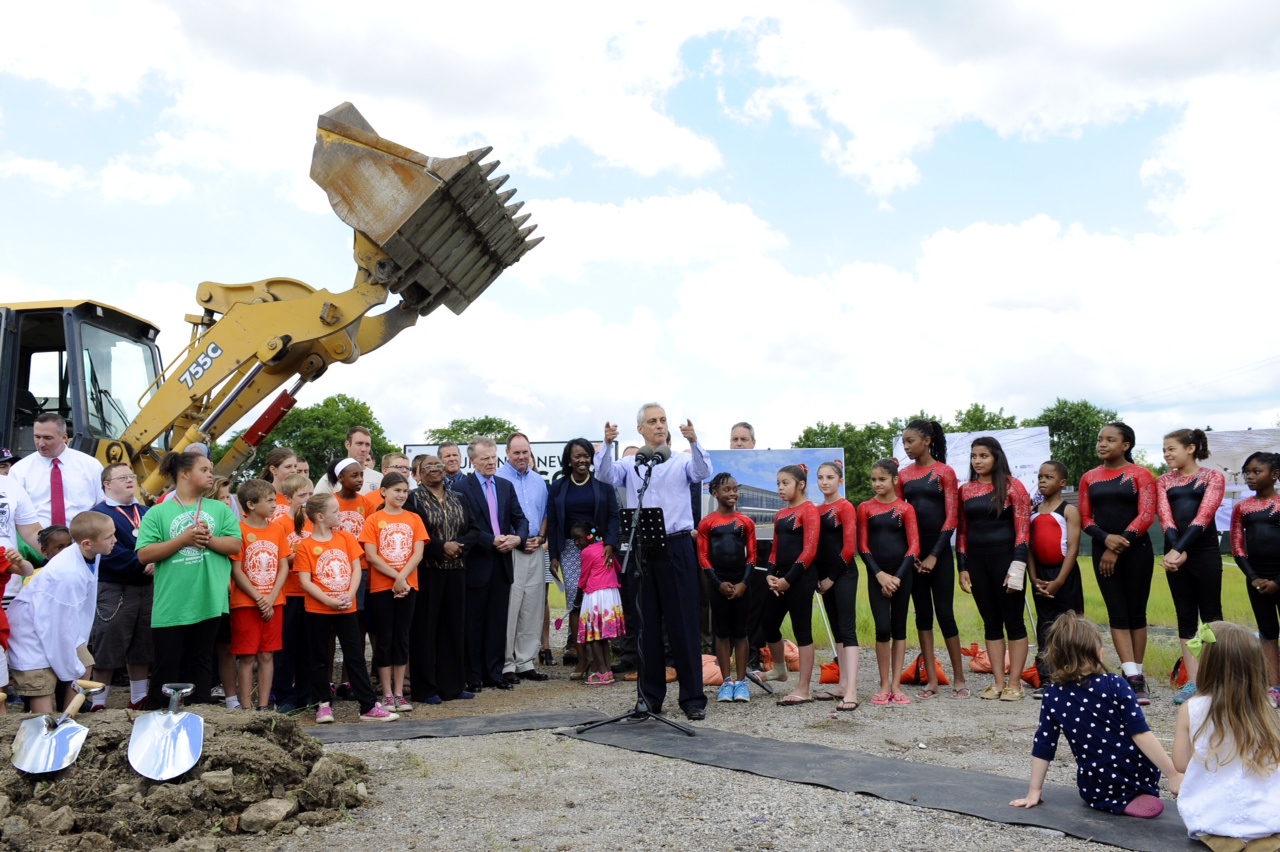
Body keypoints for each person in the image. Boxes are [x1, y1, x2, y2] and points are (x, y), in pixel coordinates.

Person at [595, 404, 712, 721]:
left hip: (676, 548)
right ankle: (649, 699)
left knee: (683, 625)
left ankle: (692, 699)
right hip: (643, 550)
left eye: (662, 421)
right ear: (641, 430)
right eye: (652, 421)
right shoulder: (631, 464)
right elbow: (603, 474)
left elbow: (703, 473)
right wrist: (606, 445)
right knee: (646, 626)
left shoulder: (682, 461)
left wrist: (694, 441)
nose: (659, 426)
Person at [1011, 613, 1180, 819]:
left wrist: (1033, 791)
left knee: (1094, 782)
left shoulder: (1053, 695)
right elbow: (1141, 734)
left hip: (1095, 784)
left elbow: (1044, 745)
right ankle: (1133, 795)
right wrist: (1172, 774)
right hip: (1136, 774)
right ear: (1099, 654)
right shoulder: (1116, 684)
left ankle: (1113, 801)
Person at [136, 450, 242, 708]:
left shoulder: (220, 509)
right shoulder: (158, 513)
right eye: (204, 470)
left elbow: (235, 545)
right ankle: (157, 720)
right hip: (171, 605)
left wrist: (208, 540)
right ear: (184, 474)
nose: (211, 475)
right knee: (166, 666)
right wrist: (182, 540)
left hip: (208, 601)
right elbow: (144, 554)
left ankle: (199, 718)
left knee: (201, 663)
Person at [1174, 621, 1280, 848]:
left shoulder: (1192, 709)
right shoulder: (1267, 709)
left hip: (1214, 816)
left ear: (1208, 665)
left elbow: (1180, 763)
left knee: (1217, 829)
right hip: (1268, 817)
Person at [292, 494, 396, 722]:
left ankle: (368, 705)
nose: (340, 515)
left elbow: (356, 569)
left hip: (347, 608)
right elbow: (305, 581)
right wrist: (329, 601)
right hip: (317, 611)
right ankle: (323, 704)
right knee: (319, 658)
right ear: (320, 517)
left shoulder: (346, 538)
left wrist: (348, 595)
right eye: (336, 512)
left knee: (356, 657)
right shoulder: (306, 546)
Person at [7, 511, 116, 714]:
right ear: (86, 544)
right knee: (42, 686)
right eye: (109, 537)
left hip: (60, 625)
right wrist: (68, 667)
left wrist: (74, 662)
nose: (114, 540)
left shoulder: (93, 555)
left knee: (84, 665)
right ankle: (44, 731)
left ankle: (68, 720)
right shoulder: (67, 575)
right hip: (31, 632)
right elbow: (56, 629)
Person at [1079, 422, 1157, 704]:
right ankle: (1130, 673)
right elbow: (1086, 518)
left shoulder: (1140, 474)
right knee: (1117, 613)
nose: (1102, 444)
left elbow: (1147, 515)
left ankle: (1137, 676)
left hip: (1137, 551)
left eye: (1110, 440)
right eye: (1100, 439)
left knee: (1136, 613)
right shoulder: (1089, 477)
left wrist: (1119, 543)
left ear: (1125, 445)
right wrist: (1105, 540)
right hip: (1103, 550)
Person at [958, 436, 1033, 702]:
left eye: (983, 456)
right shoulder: (965, 490)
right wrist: (962, 566)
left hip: (1007, 561)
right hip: (977, 563)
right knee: (991, 623)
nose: (977, 461)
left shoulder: (1014, 487)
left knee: (1013, 622)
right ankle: (998, 682)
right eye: (974, 456)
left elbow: (1024, 529)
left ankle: (1015, 684)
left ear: (996, 457)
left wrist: (1018, 563)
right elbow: (963, 531)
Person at [897, 419, 966, 700]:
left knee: (945, 614)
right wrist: (912, 555)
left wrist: (935, 555)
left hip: (938, 555)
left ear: (927, 441)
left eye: (910, 441)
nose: (906, 447)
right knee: (922, 616)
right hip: (913, 556)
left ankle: (960, 679)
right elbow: (900, 514)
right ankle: (932, 681)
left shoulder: (944, 473)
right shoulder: (903, 475)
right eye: (904, 442)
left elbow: (952, 517)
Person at [1157, 429, 1226, 706]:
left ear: (1191, 448)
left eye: (1171, 449)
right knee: (1185, 615)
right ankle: (1194, 682)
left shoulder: (1212, 477)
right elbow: (1165, 518)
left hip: (1204, 551)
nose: (1166, 454)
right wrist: (1175, 551)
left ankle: (1217, 679)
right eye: (1164, 450)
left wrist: (1181, 550)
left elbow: (1204, 515)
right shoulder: (1162, 481)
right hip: (1174, 553)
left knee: (1211, 616)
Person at [456, 438, 528, 692]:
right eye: (485, 458)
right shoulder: (462, 488)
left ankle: (494, 673)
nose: (490, 462)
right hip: (477, 563)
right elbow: (463, 526)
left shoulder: (506, 486)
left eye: (493, 456)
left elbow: (520, 519)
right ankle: (473, 675)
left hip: (503, 563)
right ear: (472, 461)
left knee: (498, 622)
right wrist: (490, 541)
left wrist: (518, 538)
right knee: (473, 622)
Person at [546, 438, 620, 673]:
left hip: (599, 551)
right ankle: (581, 658)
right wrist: (555, 554)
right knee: (575, 603)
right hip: (569, 550)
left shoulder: (603, 486)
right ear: (569, 459)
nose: (582, 460)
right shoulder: (558, 486)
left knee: (597, 603)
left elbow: (613, 517)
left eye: (586, 455)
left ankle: (601, 661)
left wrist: (610, 543)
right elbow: (554, 521)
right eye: (577, 456)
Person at [406, 455, 475, 703]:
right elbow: (415, 533)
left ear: (445, 470)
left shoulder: (459, 497)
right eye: (428, 467)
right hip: (427, 570)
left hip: (456, 570)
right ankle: (425, 689)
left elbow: (474, 530)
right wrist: (440, 547)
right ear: (419, 473)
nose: (434, 469)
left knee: (453, 628)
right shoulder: (413, 499)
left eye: (438, 465)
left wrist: (458, 546)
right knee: (425, 630)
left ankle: (453, 687)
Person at [87, 463, 154, 711]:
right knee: (109, 643)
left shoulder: (146, 511)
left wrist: (155, 560)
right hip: (115, 588)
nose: (130, 480)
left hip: (147, 587)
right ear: (107, 484)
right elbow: (107, 552)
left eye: (131, 476)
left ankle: (138, 697)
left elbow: (159, 541)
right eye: (122, 477)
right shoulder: (99, 515)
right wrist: (142, 562)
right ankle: (99, 701)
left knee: (143, 643)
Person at [360, 472, 427, 713]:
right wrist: (395, 577)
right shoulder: (373, 520)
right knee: (384, 639)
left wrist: (402, 578)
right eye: (397, 490)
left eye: (405, 491)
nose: (401, 495)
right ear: (384, 491)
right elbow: (371, 556)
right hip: (381, 588)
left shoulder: (414, 519)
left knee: (402, 637)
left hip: (408, 586)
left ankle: (399, 692)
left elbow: (418, 553)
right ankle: (386, 693)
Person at [858, 458, 919, 707]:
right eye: (873, 479)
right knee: (882, 628)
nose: (877, 484)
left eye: (882, 479)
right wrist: (879, 575)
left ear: (895, 480)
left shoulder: (906, 509)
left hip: (902, 575)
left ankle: (896, 684)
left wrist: (897, 577)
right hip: (877, 575)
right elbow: (862, 545)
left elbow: (914, 545)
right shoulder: (865, 508)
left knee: (899, 627)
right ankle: (884, 683)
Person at [762, 464, 821, 705]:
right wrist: (770, 574)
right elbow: (775, 550)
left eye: (785, 483)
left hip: (801, 577)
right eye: (778, 484)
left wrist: (788, 580)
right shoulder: (781, 514)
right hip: (781, 578)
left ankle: (804, 688)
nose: (780, 488)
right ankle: (779, 670)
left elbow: (809, 550)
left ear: (801, 484)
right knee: (768, 625)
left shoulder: (809, 511)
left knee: (802, 630)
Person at [229, 479, 290, 712]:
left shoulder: (277, 529)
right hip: (246, 604)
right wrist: (258, 598)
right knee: (247, 657)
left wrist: (272, 597)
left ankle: (264, 705)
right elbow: (237, 569)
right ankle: (246, 707)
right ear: (251, 504)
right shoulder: (239, 530)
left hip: (275, 602)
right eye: (270, 500)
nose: (275, 504)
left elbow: (283, 565)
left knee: (267, 655)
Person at [697, 473, 756, 703]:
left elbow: (751, 557)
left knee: (740, 632)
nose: (732, 494)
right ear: (715, 493)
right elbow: (703, 557)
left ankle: (741, 683)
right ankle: (726, 681)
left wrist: (743, 583)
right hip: (718, 583)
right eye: (727, 490)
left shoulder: (745, 522)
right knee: (722, 633)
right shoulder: (707, 523)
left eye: (734, 489)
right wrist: (717, 583)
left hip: (741, 583)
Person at [496, 433, 550, 683]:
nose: (521, 457)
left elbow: (545, 514)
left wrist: (540, 536)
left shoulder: (539, 481)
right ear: (506, 453)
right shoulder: (498, 479)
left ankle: (525, 661)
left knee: (533, 605)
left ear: (530, 453)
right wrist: (516, 539)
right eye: (516, 453)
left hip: (536, 548)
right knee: (511, 605)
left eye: (525, 452)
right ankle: (506, 663)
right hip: (512, 550)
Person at [1027, 461, 1084, 698]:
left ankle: (1075, 674)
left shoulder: (1068, 511)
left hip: (1065, 575)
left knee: (1070, 624)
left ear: (1062, 483)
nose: (1042, 481)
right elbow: (1029, 548)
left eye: (1048, 477)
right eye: (1040, 477)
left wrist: (1060, 580)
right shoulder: (1032, 513)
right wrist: (1033, 577)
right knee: (1045, 626)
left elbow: (1072, 548)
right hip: (1041, 576)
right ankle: (1047, 678)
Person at [1230, 452, 1280, 701]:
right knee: (1267, 632)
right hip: (1257, 579)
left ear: (1275, 475)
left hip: (1279, 577)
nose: (1250, 476)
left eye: (1256, 471)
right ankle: (1274, 687)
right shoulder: (1242, 508)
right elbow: (1237, 547)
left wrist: (1278, 581)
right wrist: (1253, 578)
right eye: (1246, 472)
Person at [813, 461, 859, 710]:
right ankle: (842, 684)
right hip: (824, 578)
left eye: (830, 477)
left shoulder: (845, 507)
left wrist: (831, 577)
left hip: (843, 574)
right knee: (836, 631)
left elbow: (850, 548)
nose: (824, 482)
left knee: (847, 628)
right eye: (820, 477)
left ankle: (852, 689)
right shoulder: (816, 509)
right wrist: (819, 578)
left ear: (840, 481)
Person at [8, 413, 104, 528]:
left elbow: (103, 506)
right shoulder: (19, 470)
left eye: (48, 438)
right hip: (35, 540)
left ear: (64, 437)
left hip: (82, 539)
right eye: (37, 437)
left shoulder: (91, 466)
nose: (41, 444)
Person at [272, 472, 315, 714]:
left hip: (311, 594)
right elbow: (281, 558)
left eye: (310, 494)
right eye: (302, 495)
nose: (307, 499)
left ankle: (306, 694)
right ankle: (284, 695)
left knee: (308, 647)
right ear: (288, 498)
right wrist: (301, 557)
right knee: (285, 647)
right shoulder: (280, 525)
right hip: (288, 593)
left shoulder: (314, 522)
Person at [573, 522, 625, 686]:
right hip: (610, 595)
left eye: (578, 539)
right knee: (604, 636)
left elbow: (583, 578)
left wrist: (577, 599)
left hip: (595, 596)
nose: (576, 543)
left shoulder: (587, 552)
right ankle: (607, 671)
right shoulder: (607, 547)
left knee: (594, 636)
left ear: (589, 536)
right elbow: (617, 567)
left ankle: (601, 672)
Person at [315, 426, 383, 495]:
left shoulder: (379, 478)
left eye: (367, 445)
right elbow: (315, 504)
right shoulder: (330, 478)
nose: (364, 449)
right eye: (359, 444)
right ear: (347, 445)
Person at [261, 447, 299, 520]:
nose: (294, 470)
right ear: (273, 470)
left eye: (295, 466)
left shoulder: (300, 496)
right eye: (288, 467)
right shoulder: (260, 496)